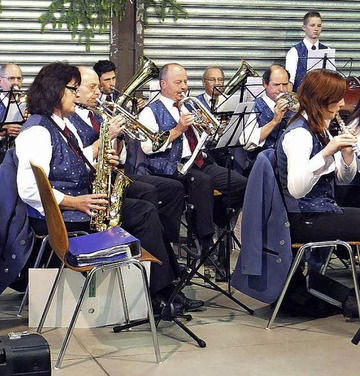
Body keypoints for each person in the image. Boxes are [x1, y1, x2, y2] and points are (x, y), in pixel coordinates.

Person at [15, 62, 202, 312]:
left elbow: (71, 158)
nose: (77, 94)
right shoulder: (37, 131)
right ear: (56, 91)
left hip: (79, 204)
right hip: (60, 215)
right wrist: (75, 202)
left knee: (145, 205)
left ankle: (165, 287)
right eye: (73, 89)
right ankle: (160, 294)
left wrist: (101, 158)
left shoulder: (61, 124)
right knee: (144, 213)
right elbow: (29, 188)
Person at [128, 63, 247, 257]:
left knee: (240, 184)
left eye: (185, 81)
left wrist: (207, 129)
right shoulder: (150, 111)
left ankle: (214, 221)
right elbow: (148, 147)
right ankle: (206, 242)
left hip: (198, 161)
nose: (184, 87)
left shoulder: (189, 105)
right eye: (178, 82)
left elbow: (207, 139)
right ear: (163, 85)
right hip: (170, 166)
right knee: (202, 183)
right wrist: (177, 130)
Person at [68, 66, 185, 244]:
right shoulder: (69, 118)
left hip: (108, 175)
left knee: (173, 188)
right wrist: (109, 136)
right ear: (75, 90)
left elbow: (117, 156)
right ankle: (142, 245)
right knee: (147, 193)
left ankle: (165, 243)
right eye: (93, 87)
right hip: (91, 182)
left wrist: (119, 137)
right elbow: (77, 159)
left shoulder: (97, 115)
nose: (98, 93)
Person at [276, 68, 359, 316]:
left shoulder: (320, 128)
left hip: (323, 209)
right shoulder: (299, 134)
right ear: (322, 100)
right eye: (338, 98)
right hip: (303, 217)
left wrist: (346, 157)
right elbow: (297, 189)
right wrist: (326, 152)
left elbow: (345, 179)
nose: (343, 104)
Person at [238, 64, 294, 175]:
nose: (282, 90)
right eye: (276, 85)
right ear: (265, 84)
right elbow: (247, 143)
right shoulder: (254, 107)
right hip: (265, 167)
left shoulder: (294, 105)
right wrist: (274, 122)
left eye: (285, 84)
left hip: (290, 163)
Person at [285, 11, 326, 91]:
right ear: (304, 28)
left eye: (319, 26)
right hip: (300, 97)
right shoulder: (294, 51)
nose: (316, 29)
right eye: (312, 25)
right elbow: (290, 80)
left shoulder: (326, 50)